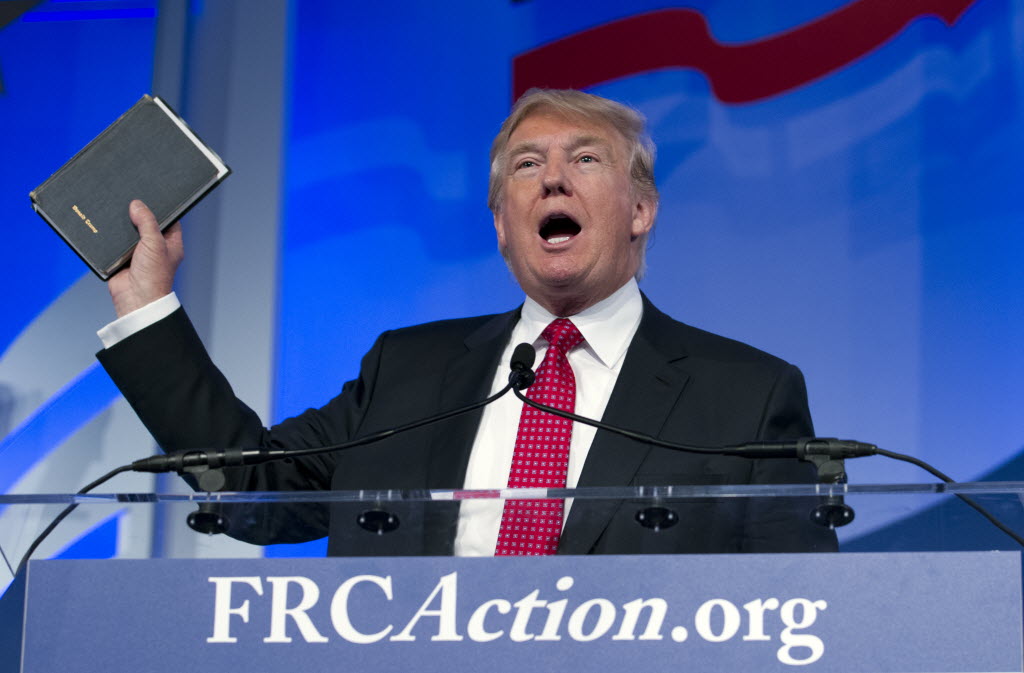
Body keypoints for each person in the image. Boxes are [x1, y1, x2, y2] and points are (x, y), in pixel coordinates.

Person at [96, 89, 837, 556]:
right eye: (525, 165)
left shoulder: (746, 394)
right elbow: (253, 487)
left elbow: (795, 618)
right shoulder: (409, 371)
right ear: (502, 227)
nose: (552, 177)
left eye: (585, 159)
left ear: (640, 210)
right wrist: (146, 303)